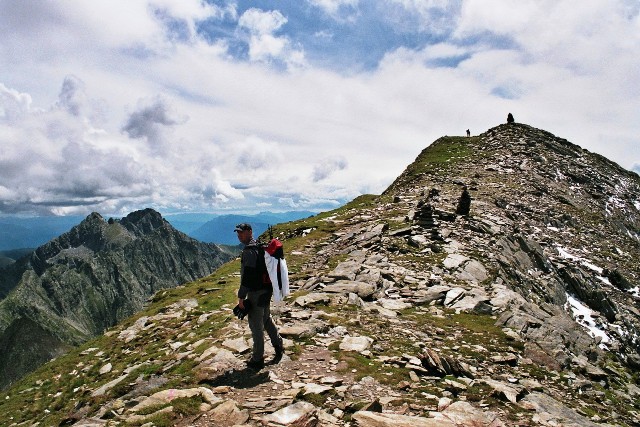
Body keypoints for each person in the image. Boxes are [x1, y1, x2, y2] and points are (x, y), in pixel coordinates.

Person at [234, 223, 284, 370]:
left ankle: (257, 358)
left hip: (256, 292)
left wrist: (241, 297)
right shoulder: (261, 247)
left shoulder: (249, 251)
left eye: (242, 233)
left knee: (256, 325)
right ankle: (278, 345)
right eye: (238, 233)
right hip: (267, 290)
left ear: (250, 232)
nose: (239, 235)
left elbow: (247, 276)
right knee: (266, 318)